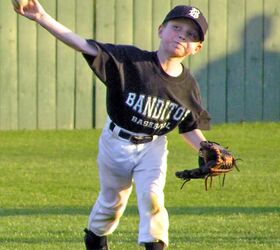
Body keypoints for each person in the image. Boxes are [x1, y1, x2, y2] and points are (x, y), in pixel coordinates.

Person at [14, 1, 211, 249]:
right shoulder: (130, 61)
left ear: (197, 48)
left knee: (153, 198)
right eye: (177, 27)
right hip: (116, 142)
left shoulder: (188, 86)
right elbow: (83, 45)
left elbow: (189, 126)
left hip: (153, 147)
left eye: (192, 34)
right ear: (160, 30)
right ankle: (96, 238)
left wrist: (206, 148)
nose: (183, 34)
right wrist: (42, 17)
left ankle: (155, 244)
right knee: (111, 203)